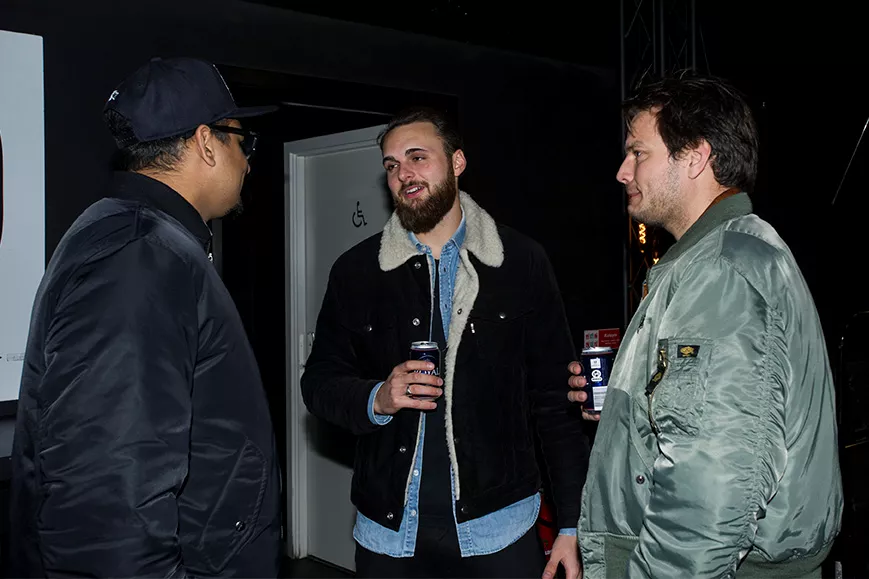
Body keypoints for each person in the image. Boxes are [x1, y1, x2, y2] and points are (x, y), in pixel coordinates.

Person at [10, 56, 282, 577]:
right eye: (241, 142)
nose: (247, 161)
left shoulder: (141, 238)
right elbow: (108, 497)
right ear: (206, 143)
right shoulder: (140, 257)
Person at [567, 71, 843, 577]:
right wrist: (626, 415)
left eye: (638, 153)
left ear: (695, 157)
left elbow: (710, 489)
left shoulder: (722, 270)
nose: (623, 172)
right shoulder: (713, 257)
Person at [300, 106, 590, 578]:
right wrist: (377, 397)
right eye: (392, 165)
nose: (403, 174)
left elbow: (555, 403)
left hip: (499, 530)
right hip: (390, 536)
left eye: (417, 157)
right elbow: (318, 383)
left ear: (457, 162)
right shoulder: (357, 271)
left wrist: (572, 524)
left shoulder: (519, 262)